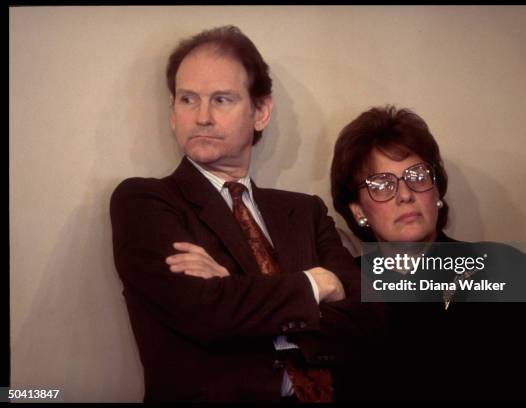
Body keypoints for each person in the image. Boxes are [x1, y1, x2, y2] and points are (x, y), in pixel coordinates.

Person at [110, 25, 373, 403]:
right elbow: (203, 311)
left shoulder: (305, 211)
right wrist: (315, 284)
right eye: (187, 99)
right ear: (172, 112)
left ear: (261, 111)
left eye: (221, 100)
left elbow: (365, 316)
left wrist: (234, 288)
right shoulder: (144, 201)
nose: (201, 117)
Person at [329, 105, 526, 401]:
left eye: (418, 176)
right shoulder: (345, 291)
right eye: (382, 184)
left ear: (436, 191)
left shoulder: (509, 273)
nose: (405, 194)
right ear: (358, 209)